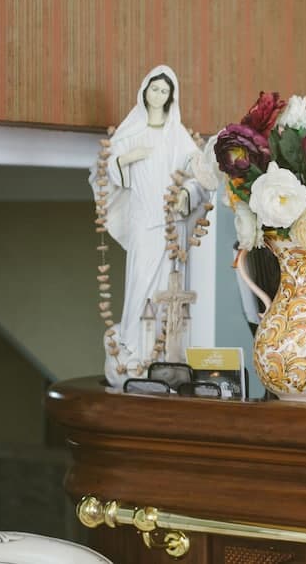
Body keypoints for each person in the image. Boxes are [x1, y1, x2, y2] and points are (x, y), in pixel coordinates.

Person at [90, 65, 211, 387]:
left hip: (170, 222)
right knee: (140, 281)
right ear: (144, 91)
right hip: (143, 218)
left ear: (171, 96)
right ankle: (133, 347)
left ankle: (163, 353)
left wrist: (186, 193)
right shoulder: (131, 132)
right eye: (154, 89)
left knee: (168, 286)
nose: (158, 95)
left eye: (164, 90)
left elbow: (199, 173)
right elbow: (109, 171)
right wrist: (127, 159)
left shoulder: (177, 135)